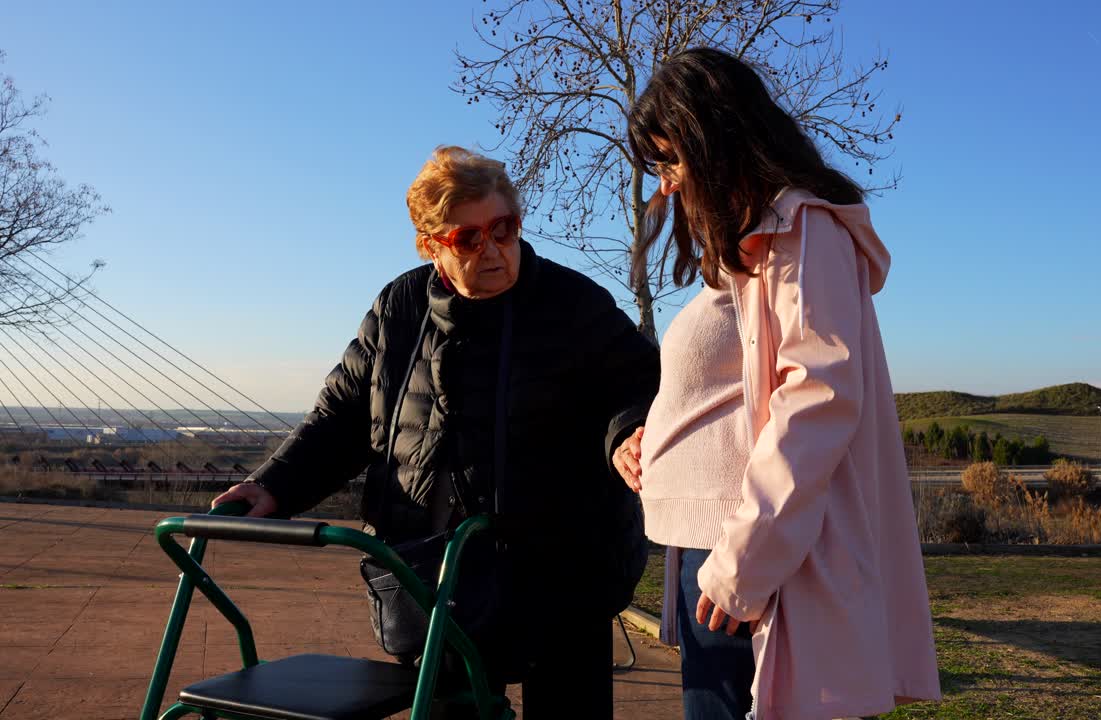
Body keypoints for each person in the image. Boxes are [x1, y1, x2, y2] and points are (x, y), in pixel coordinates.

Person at [213, 146, 660, 718]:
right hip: (436, 574)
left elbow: (636, 384)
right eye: (469, 239)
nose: (495, 249)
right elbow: (342, 417)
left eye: (505, 228)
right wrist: (271, 485)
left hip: (564, 573)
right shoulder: (398, 307)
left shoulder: (574, 304)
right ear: (431, 246)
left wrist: (629, 432)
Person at [611, 48, 941, 720]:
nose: (668, 184)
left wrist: (744, 563)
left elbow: (816, 399)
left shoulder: (803, 227)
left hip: (750, 551)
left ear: (714, 137)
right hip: (714, 546)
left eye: (672, 160)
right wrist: (649, 437)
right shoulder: (756, 243)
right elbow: (737, 389)